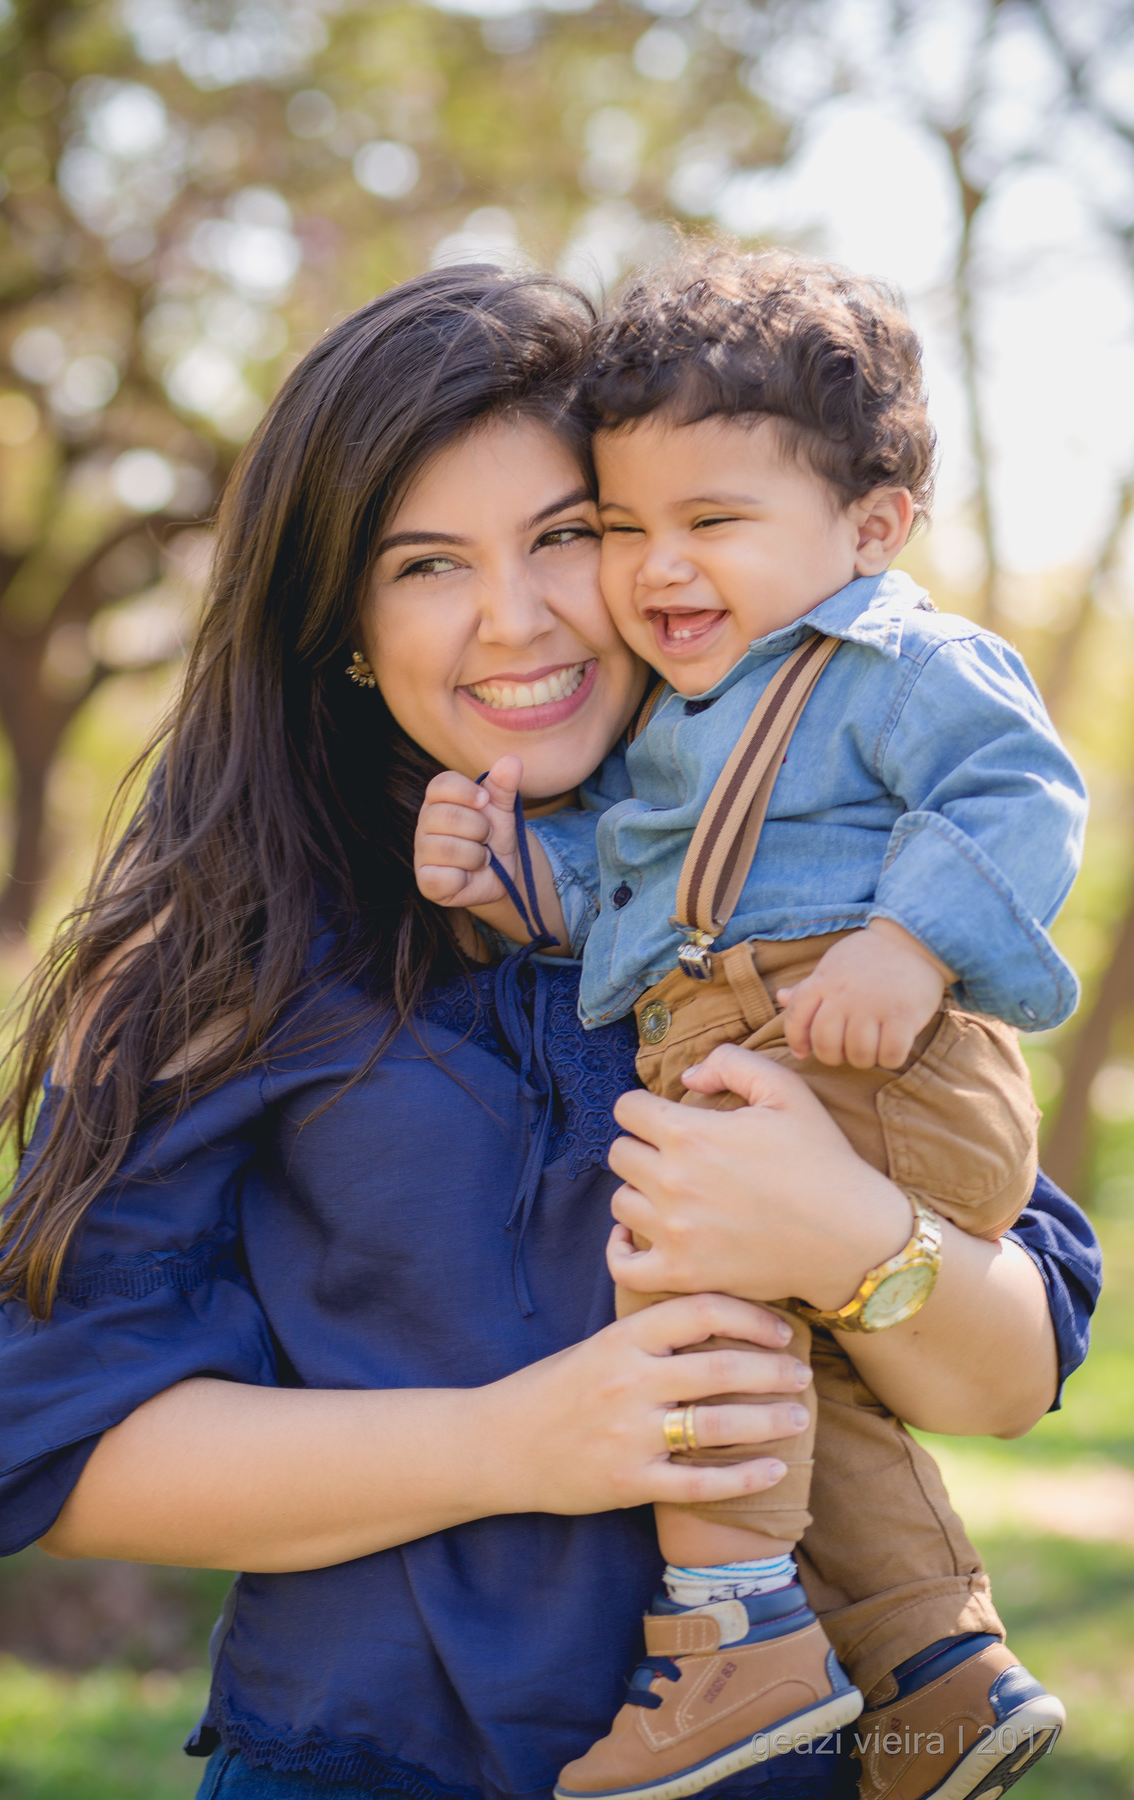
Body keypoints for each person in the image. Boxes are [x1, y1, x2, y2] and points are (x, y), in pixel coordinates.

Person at [0, 266, 1100, 1800]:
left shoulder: (822, 876)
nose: (517, 618)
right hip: (363, 1764)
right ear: (344, 620)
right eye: (426, 565)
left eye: (567, 535)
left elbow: (1009, 1378)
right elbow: (56, 1460)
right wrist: (522, 1444)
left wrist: (849, 1234)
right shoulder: (234, 940)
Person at [413, 249, 1088, 1800]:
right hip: (765, 1037)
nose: (661, 569)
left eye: (714, 521)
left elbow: (1021, 792)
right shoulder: (684, 725)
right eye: (628, 526)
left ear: (870, 527)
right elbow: (649, 896)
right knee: (808, 1390)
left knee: (688, 1284)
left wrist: (911, 947)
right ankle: (940, 1678)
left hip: (866, 1050)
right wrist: (521, 875)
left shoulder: (893, 660)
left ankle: (730, 1646)